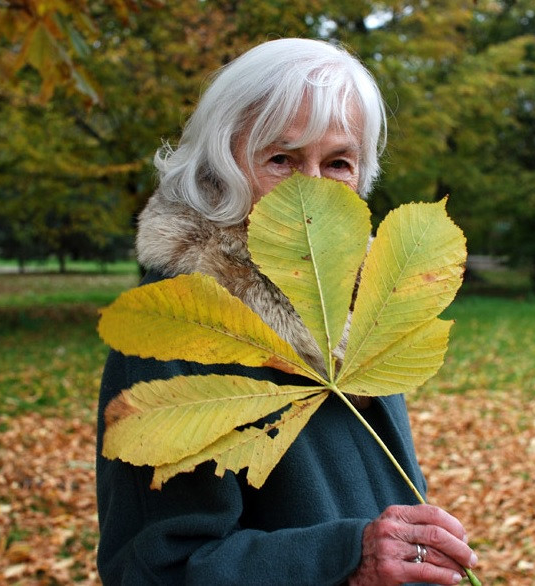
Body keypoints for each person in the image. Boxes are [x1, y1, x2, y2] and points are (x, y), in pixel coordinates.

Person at [96, 37, 478, 585]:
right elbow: (155, 569)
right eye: (282, 159)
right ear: (220, 167)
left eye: (339, 162)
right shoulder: (184, 328)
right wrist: (348, 559)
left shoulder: (359, 306)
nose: (313, 193)